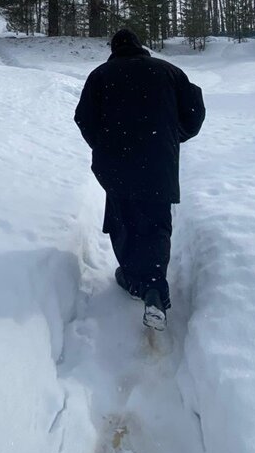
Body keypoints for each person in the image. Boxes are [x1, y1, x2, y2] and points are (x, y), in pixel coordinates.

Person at [74, 28, 205, 330]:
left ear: (113, 49)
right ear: (140, 47)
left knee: (124, 220)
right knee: (157, 222)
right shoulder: (168, 71)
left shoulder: (101, 76)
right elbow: (195, 111)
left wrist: (103, 145)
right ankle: (155, 285)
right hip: (159, 161)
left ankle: (135, 278)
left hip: (117, 164)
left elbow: (84, 118)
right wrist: (174, 136)